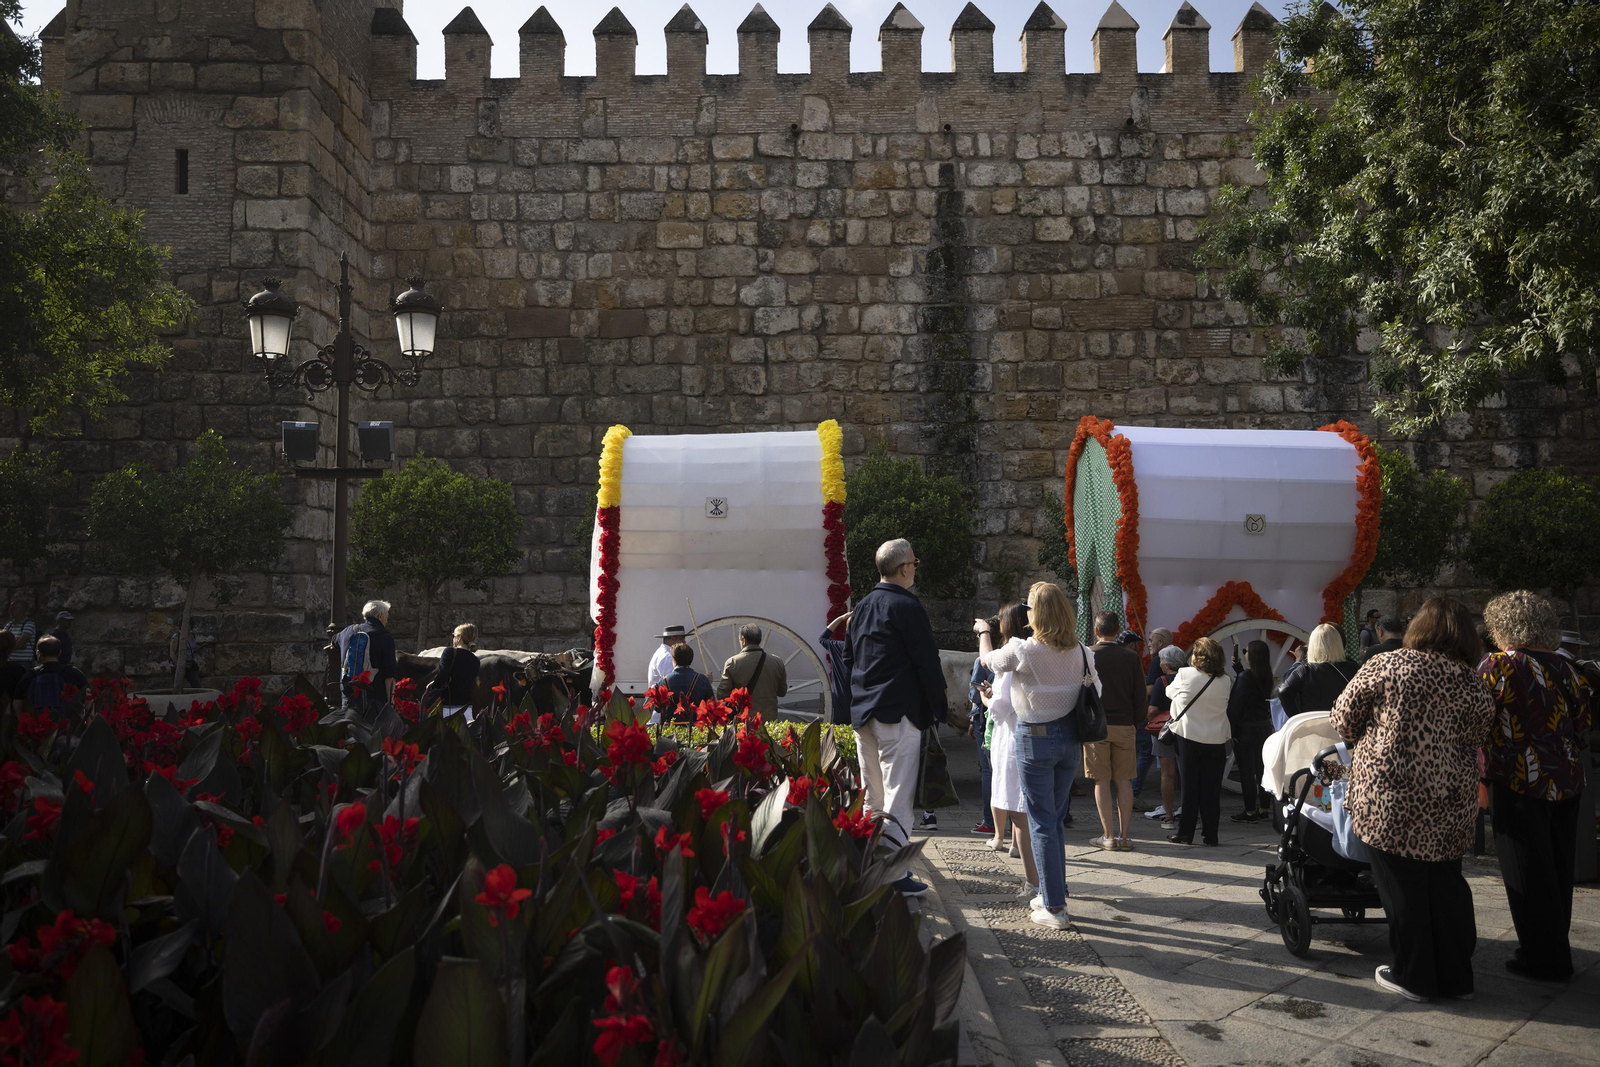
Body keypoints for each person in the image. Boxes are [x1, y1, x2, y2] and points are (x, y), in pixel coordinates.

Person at [1331, 597, 1493, 1002]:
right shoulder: (1473, 681)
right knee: (1446, 884)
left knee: (1401, 886)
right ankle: (1457, 977)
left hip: (1392, 797)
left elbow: (1342, 719)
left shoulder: (1388, 664)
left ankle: (1414, 975)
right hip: (1452, 799)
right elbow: (1477, 737)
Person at [1479, 591, 1592, 983]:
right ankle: (1553, 947)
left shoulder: (1498, 665)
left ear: (1502, 625)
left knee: (1526, 871)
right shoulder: (1568, 668)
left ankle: (1542, 958)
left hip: (1518, 777)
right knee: (1559, 867)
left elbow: (1479, 718)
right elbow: (1582, 723)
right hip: (1567, 776)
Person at [977, 582, 1099, 930]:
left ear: (1038, 614)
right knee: (1054, 820)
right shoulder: (1082, 651)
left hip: (1035, 737)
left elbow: (988, 661)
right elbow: (1096, 690)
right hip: (1070, 739)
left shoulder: (1023, 649)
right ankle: (1050, 891)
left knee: (1041, 822)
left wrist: (984, 631)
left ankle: (1055, 907)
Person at [845, 538, 946, 896]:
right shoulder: (907, 606)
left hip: (864, 712)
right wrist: (939, 708)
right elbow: (927, 662)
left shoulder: (862, 607)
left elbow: (848, 660)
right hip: (898, 712)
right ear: (905, 568)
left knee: (872, 797)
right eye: (914, 564)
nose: (915, 569)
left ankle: (869, 865)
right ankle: (894, 875)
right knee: (898, 797)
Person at [982, 602, 1041, 900]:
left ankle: (1034, 881)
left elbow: (1002, 707)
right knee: (1038, 813)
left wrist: (986, 701)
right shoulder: (1042, 649)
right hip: (1043, 734)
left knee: (1020, 812)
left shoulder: (1013, 654)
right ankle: (1045, 878)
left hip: (1015, 736)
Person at [1086, 612, 1146, 850]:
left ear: (1096, 630)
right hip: (1124, 724)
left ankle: (1108, 836)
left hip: (1096, 724)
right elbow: (1140, 695)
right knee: (1124, 781)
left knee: (1101, 781)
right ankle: (1125, 836)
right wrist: (1135, 721)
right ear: (1118, 630)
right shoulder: (1131, 658)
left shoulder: (1087, 654)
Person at [1164, 636, 1233, 846]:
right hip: (1217, 738)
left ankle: (1185, 832)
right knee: (1211, 789)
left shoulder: (1185, 674)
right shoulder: (1226, 680)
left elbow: (1169, 692)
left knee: (1190, 787)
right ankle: (1211, 834)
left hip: (1188, 736)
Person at [1226, 639, 1274, 822]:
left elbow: (1235, 707)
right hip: (1263, 729)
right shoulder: (1266, 674)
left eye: (1247, 650)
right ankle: (1263, 808)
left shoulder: (1245, 677)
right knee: (1262, 771)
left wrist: (1230, 731)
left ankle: (1249, 811)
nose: (1244, 653)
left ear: (1252, 655)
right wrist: (1239, 670)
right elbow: (1254, 688)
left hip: (1245, 731)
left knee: (1246, 772)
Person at [1145, 644, 1187, 830]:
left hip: (1165, 731)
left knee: (1167, 774)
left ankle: (1168, 816)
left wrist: (1147, 719)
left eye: (1161, 660)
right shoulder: (1188, 679)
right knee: (1186, 773)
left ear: (1167, 664)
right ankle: (1187, 810)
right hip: (1186, 729)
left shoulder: (1162, 681)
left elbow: (1153, 710)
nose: (1160, 663)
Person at [1278, 622, 1358, 718]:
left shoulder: (1305, 671)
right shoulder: (1354, 667)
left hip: (1314, 724)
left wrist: (1296, 717)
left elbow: (1283, 691)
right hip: (1344, 722)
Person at [337, 600, 399, 711]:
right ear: (380, 616)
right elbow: (389, 673)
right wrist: (391, 701)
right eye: (386, 617)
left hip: (349, 694)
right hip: (374, 697)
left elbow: (334, 641)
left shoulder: (348, 632)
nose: (387, 620)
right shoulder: (385, 637)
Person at [968, 617, 998, 837]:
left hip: (986, 719)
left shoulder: (984, 660)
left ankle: (990, 820)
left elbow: (974, 694)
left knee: (988, 770)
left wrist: (971, 719)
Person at [717, 624, 788, 715]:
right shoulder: (777, 662)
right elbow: (782, 692)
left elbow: (722, 695)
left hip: (744, 721)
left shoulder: (732, 662)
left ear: (743, 641)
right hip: (769, 719)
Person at [1128, 627, 1163, 804]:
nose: (1147, 645)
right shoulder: (1152, 661)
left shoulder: (1155, 661)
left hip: (1135, 711)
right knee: (1146, 752)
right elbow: (1147, 689)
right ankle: (1132, 790)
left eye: (1150, 640)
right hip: (1142, 711)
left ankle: (1130, 790)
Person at [13, 635, 87, 715]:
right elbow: (88, 697)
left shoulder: (29, 676)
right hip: (68, 725)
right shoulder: (74, 673)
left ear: (39, 653)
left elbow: (17, 703)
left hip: (38, 724)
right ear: (59, 652)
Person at [423, 623, 480, 722]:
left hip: (448, 708)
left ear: (459, 638)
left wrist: (433, 687)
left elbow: (442, 676)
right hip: (466, 709)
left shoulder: (449, 652)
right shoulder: (475, 660)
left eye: (454, 635)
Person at [818, 613, 853, 726]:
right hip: (863, 706)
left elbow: (822, 638)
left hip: (841, 706)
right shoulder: (868, 649)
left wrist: (840, 618)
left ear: (847, 631)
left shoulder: (837, 647)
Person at [663, 643, 714, 718]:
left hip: (671, 726)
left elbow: (658, 709)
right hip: (696, 724)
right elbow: (711, 704)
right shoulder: (702, 679)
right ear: (691, 659)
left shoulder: (664, 681)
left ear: (674, 660)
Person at [5, 600, 36, 665]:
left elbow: (20, 644)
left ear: (22, 609)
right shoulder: (9, 625)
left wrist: (8, 646)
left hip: (24, 662)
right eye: (10, 609)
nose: (11, 611)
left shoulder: (29, 624)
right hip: (10, 661)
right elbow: (2, 641)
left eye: (13, 608)